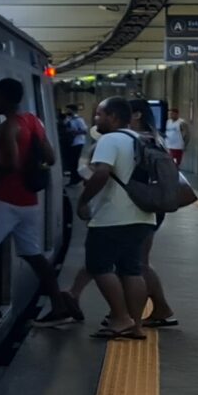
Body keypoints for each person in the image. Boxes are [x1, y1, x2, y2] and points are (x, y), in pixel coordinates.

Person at [0, 78, 80, 326]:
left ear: (3, 98)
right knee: (34, 255)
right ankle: (58, 304)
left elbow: (12, 165)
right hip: (30, 202)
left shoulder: (9, 127)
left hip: (6, 200)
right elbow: (51, 158)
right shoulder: (33, 121)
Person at [76, 97, 158, 340]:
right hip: (143, 215)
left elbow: (102, 172)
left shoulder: (110, 140)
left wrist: (82, 200)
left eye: (100, 115)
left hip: (113, 216)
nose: (96, 119)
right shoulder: (140, 139)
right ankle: (136, 325)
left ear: (113, 116)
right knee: (132, 270)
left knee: (98, 265)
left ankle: (120, 318)